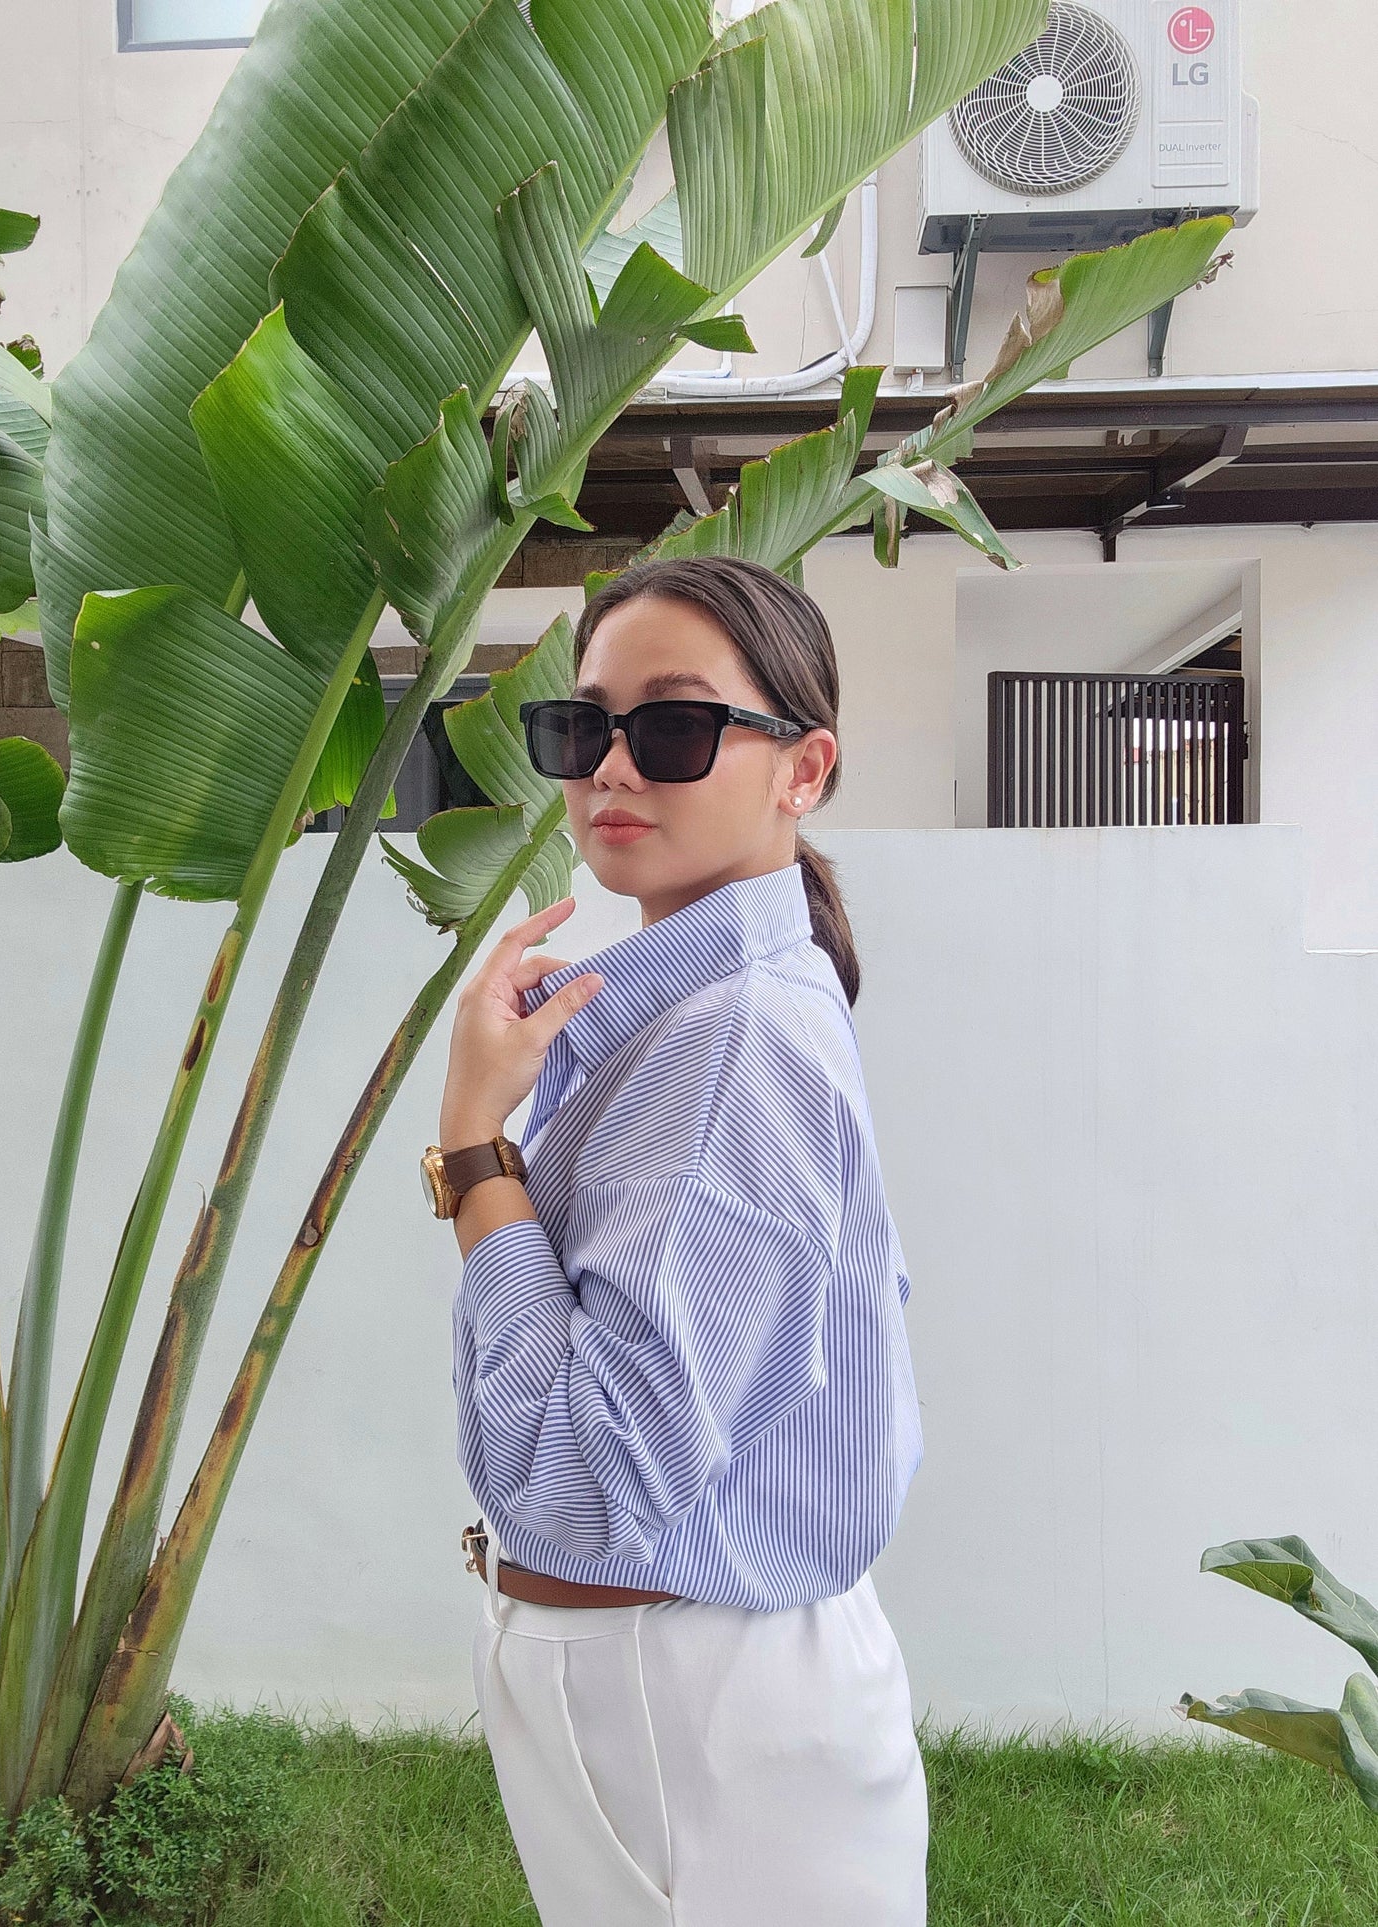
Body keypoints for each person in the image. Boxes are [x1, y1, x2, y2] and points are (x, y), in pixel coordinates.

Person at [430, 555, 926, 1924]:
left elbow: (587, 1482)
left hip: (688, 1707)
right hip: (682, 1688)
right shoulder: (696, 1016)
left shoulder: (728, 1043)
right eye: (582, 727)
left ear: (801, 768)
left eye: (674, 724)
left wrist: (475, 1149)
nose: (610, 768)